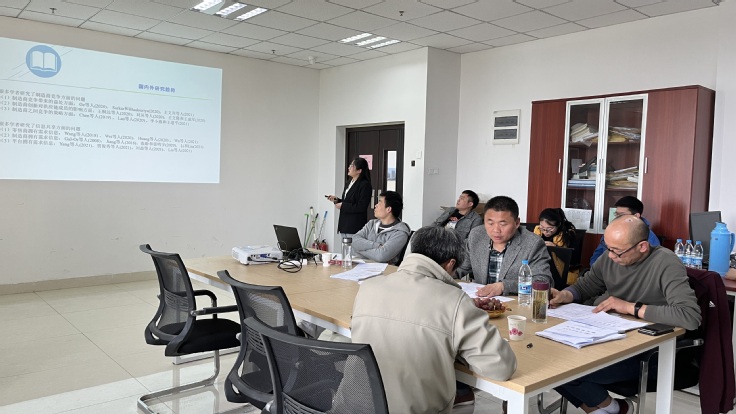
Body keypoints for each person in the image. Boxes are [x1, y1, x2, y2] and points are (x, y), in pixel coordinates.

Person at [351, 226, 517, 413]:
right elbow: (501, 367)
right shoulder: (454, 300)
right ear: (450, 264)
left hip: (354, 405)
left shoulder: (368, 287)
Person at [550, 216, 700, 414]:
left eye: (617, 251)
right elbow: (585, 286)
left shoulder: (666, 262)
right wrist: (565, 295)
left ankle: (609, 408)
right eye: (608, 247)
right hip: (610, 339)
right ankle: (614, 408)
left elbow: (689, 316)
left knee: (567, 371)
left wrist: (630, 307)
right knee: (550, 364)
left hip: (648, 351)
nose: (611, 256)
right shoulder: (610, 257)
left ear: (642, 246)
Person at [457, 195, 551, 296]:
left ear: (517, 223)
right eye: (490, 223)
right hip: (481, 300)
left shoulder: (533, 243)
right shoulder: (477, 235)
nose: (496, 230)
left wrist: (504, 286)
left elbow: (543, 281)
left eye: (503, 224)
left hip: (514, 302)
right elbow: (461, 268)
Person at [589, 196, 660, 266]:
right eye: (616, 214)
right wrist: (596, 268)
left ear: (636, 216)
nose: (617, 218)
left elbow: (653, 264)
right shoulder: (612, 231)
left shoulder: (649, 237)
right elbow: (598, 253)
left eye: (622, 215)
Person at [351, 191, 411, 265]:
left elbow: (381, 256)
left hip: (384, 270)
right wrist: (377, 246)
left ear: (388, 209)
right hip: (361, 266)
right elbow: (353, 240)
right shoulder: (371, 224)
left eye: (379, 202)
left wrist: (359, 250)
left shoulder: (400, 232)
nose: (375, 205)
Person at [327, 157, 372, 237]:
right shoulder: (349, 182)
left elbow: (361, 207)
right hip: (344, 224)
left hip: (355, 226)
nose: (349, 168)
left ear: (359, 170)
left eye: (352, 166)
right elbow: (348, 201)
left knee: (352, 245)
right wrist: (337, 200)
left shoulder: (365, 185)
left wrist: (343, 205)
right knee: (344, 245)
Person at [534, 208, 578, 284]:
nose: (545, 232)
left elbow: (573, 260)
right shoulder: (537, 231)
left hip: (560, 273)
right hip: (541, 269)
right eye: (542, 227)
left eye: (549, 228)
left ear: (558, 225)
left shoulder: (567, 235)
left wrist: (556, 249)